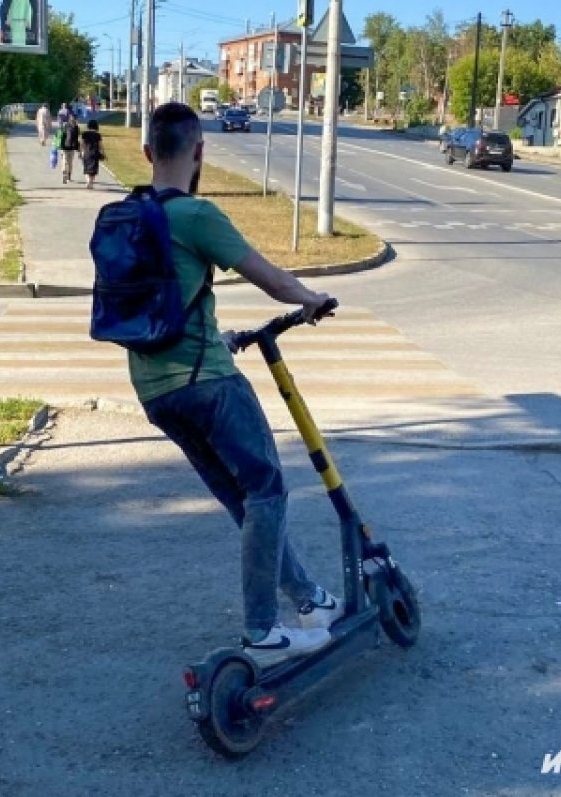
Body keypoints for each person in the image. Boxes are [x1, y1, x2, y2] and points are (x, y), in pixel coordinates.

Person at [130, 102, 342, 667]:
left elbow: (153, 306)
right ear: (199, 152)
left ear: (148, 152)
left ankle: (309, 599)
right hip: (208, 385)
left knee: (243, 498)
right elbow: (271, 279)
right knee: (267, 490)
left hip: (155, 391)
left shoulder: (128, 217)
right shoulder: (195, 215)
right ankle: (262, 632)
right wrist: (312, 299)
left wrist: (215, 336)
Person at [79, 119, 104, 189]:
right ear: (96, 126)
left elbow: (81, 144)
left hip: (86, 153)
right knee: (93, 170)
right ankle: (91, 183)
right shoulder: (98, 135)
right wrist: (103, 153)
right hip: (95, 153)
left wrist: (80, 152)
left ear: (88, 126)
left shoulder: (84, 134)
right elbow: (101, 145)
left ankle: (88, 182)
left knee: (86, 169)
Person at [59, 112, 80, 183]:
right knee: (69, 162)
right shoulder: (76, 127)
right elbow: (77, 138)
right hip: (70, 147)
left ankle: (65, 174)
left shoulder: (67, 126)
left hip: (66, 146)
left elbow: (62, 136)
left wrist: (61, 146)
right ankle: (68, 176)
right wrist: (78, 148)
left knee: (65, 161)